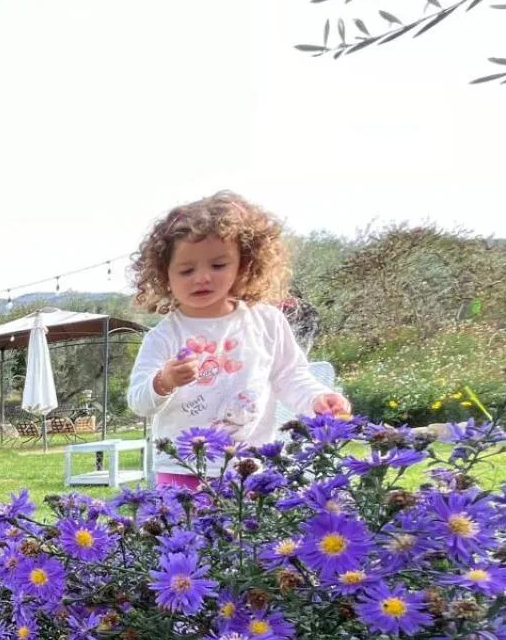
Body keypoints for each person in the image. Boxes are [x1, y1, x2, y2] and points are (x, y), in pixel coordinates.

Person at [126, 192, 350, 488]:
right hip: (183, 471)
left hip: (250, 468)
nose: (202, 277)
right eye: (186, 269)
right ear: (165, 275)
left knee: (250, 535)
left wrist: (316, 399)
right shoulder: (164, 337)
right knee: (186, 535)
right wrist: (163, 381)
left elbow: (290, 376)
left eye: (218, 265)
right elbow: (138, 401)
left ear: (245, 265)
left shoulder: (266, 322)